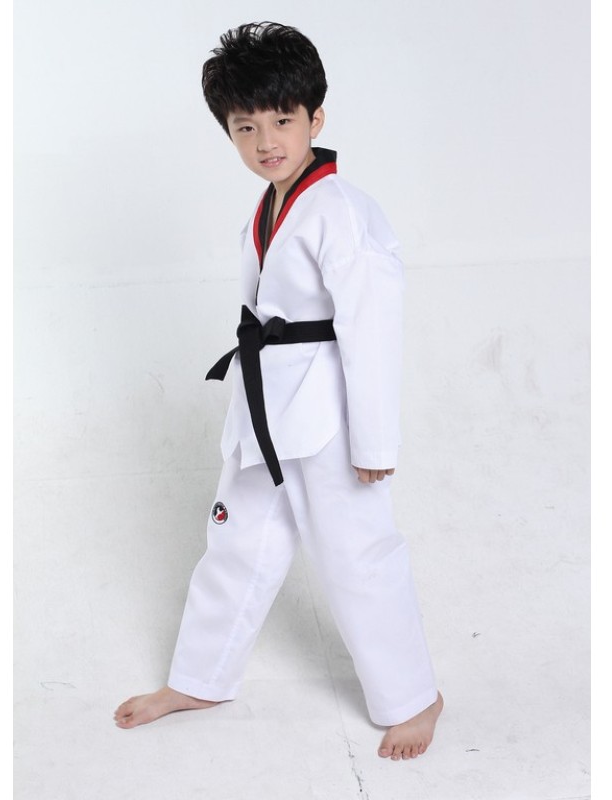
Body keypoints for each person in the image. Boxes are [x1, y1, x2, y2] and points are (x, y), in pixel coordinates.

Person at [114, 21, 443, 761]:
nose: (266, 141)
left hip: (329, 414)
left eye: (282, 121)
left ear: (316, 119)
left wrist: (374, 440)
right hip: (264, 405)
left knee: (356, 554)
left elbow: (373, 331)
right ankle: (200, 678)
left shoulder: (343, 212)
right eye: (246, 126)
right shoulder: (267, 208)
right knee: (234, 539)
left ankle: (414, 696)